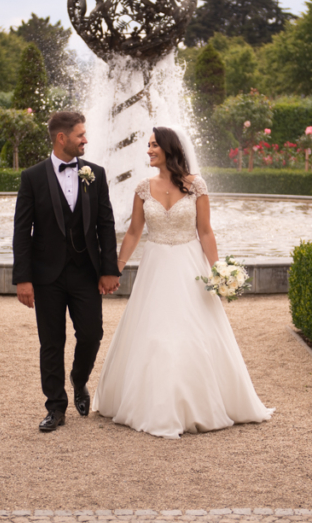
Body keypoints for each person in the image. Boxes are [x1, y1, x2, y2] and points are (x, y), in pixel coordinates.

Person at [94, 126, 274, 439]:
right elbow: (135, 232)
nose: (148, 150)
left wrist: (218, 271)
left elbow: (205, 231)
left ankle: (201, 402)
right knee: (155, 331)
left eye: (153, 146)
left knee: (195, 329)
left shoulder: (196, 186)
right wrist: (117, 268)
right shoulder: (142, 188)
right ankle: (155, 404)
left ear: (168, 149)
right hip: (156, 267)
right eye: (147, 146)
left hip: (190, 266)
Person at [13, 111, 120, 432]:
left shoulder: (95, 174)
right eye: (80, 135)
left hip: (86, 273)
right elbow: (22, 231)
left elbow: (106, 225)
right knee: (51, 342)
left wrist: (109, 269)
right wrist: (23, 278)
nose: (86, 140)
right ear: (62, 138)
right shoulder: (32, 177)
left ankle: (79, 378)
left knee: (92, 334)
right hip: (47, 276)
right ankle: (55, 407)